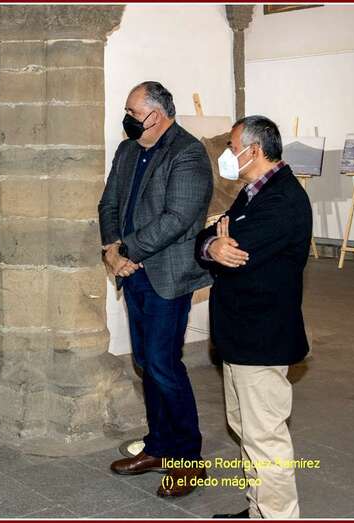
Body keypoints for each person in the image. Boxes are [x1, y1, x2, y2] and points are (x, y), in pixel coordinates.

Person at [98, 81, 213, 497]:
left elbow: (179, 217)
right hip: (132, 271)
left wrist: (128, 248)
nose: (126, 118)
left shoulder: (188, 153)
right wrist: (112, 250)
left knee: (164, 363)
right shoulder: (129, 150)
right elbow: (108, 203)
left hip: (168, 275)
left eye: (132, 110)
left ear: (157, 114)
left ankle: (187, 459)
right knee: (147, 360)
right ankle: (160, 445)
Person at [196, 116, 311, 518]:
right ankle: (258, 508)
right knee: (245, 429)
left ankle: (277, 515)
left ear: (254, 150)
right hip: (241, 335)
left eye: (232, 146)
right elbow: (208, 239)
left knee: (265, 439)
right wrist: (213, 245)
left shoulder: (283, 200)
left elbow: (238, 249)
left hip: (262, 337)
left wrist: (220, 242)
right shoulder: (252, 191)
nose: (227, 154)